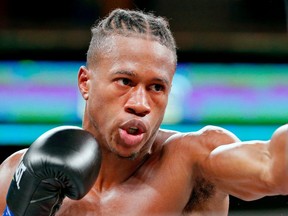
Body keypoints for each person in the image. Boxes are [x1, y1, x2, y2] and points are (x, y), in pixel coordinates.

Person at [0, 8, 288, 216]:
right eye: (125, 81)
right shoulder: (17, 173)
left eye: (156, 87)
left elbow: (270, 166)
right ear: (85, 83)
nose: (140, 103)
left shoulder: (194, 161)